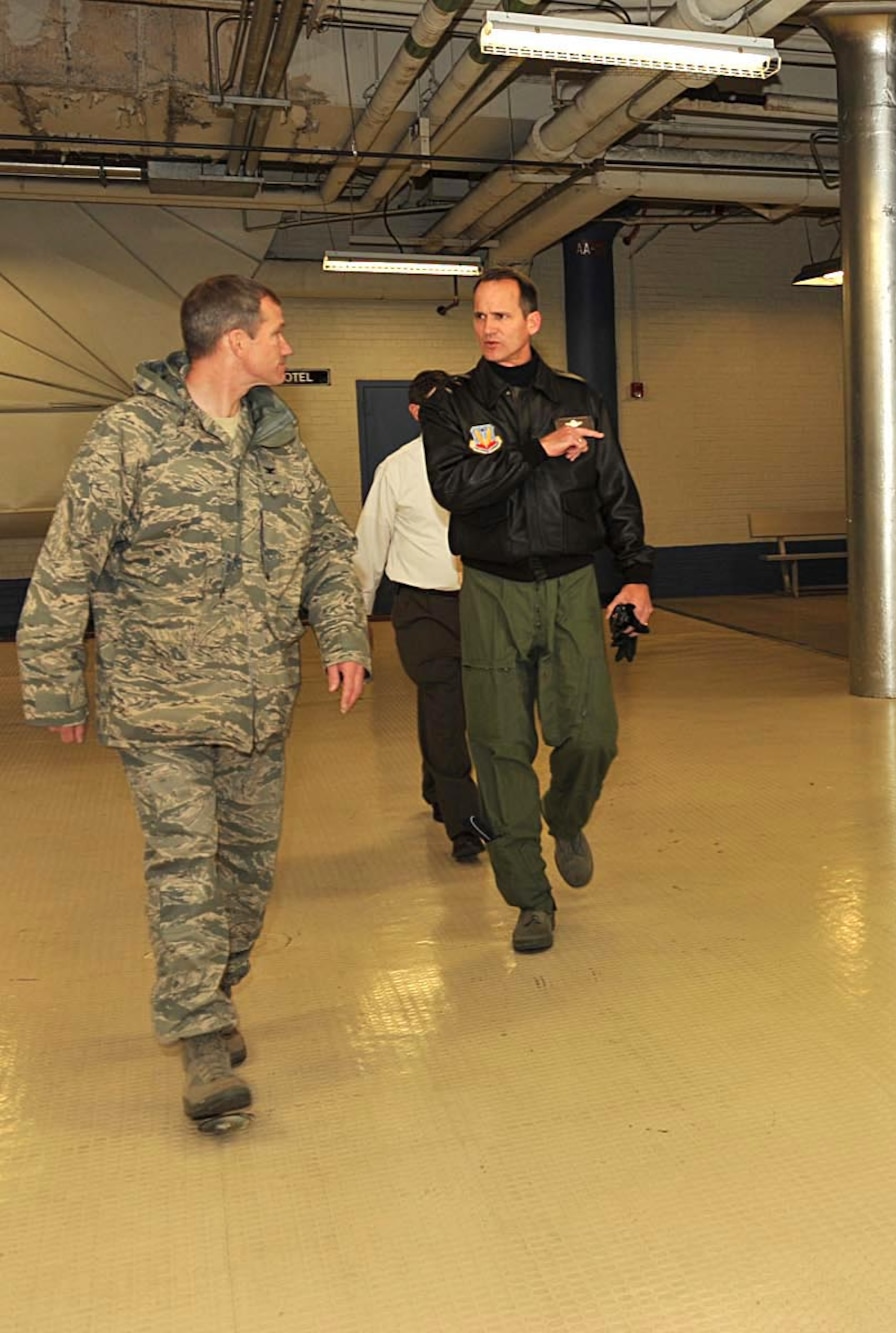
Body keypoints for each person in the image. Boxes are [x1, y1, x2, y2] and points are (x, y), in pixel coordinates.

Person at [16, 275, 370, 1128]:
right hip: (160, 704)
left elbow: (327, 547)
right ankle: (203, 1038)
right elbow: (67, 562)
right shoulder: (130, 438)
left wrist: (346, 635)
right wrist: (57, 679)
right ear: (234, 341)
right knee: (184, 868)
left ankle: (216, 986)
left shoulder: (278, 443)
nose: (289, 347)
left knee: (245, 875)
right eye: (278, 332)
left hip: (257, 704)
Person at [422, 267, 652, 954]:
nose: (488, 327)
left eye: (501, 315)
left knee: (592, 735)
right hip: (491, 587)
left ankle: (566, 813)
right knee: (499, 745)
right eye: (479, 317)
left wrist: (636, 575)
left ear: (533, 321)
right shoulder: (451, 403)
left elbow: (615, 489)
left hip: (571, 582)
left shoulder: (578, 399)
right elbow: (455, 485)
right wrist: (534, 450)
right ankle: (529, 895)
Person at [355, 369, 483, 861]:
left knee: (452, 708)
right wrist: (355, 630)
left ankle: (437, 787)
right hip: (422, 607)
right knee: (446, 704)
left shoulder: (482, 458)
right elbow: (371, 545)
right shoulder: (397, 469)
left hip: (479, 602)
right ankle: (465, 824)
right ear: (415, 413)